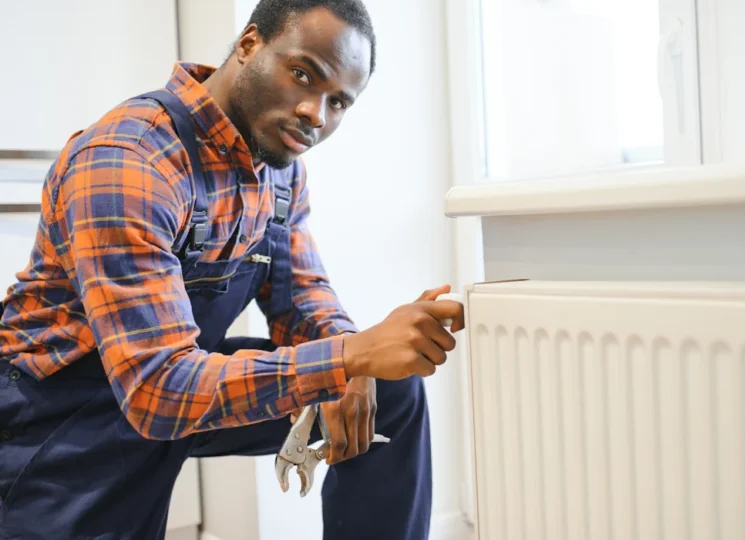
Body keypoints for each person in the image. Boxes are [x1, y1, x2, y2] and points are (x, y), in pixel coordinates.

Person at [0, 0, 463, 538]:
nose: (317, 112)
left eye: (338, 101)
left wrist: (353, 362)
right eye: (302, 74)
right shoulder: (129, 160)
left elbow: (302, 299)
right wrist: (349, 354)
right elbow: (156, 389)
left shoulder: (280, 172)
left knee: (387, 392)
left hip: (174, 381)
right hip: (66, 416)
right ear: (248, 47)